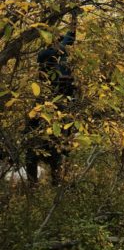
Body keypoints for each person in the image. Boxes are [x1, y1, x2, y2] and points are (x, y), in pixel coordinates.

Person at [25, 9, 78, 184]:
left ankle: (40, 182)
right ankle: (54, 180)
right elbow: (70, 35)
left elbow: (70, 35)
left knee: (39, 136)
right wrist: (74, 17)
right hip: (57, 100)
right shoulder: (55, 53)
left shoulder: (47, 53)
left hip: (49, 99)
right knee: (59, 140)